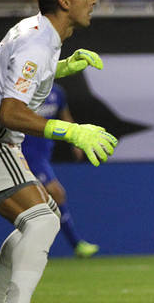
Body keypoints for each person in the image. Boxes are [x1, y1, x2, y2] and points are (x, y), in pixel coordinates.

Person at [0, 0, 117, 303]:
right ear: (65, 2)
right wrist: (72, 131)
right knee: (43, 219)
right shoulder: (37, 41)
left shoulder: (39, 35)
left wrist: (64, 67)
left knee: (40, 215)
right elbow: (10, 111)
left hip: (3, 141)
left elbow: (17, 79)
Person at [20, 84, 99, 259]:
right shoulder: (23, 90)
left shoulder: (57, 92)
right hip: (24, 154)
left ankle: (35, 250)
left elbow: (66, 118)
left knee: (39, 200)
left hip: (42, 155)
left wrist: (75, 141)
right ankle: (76, 244)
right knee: (56, 193)